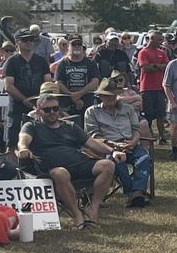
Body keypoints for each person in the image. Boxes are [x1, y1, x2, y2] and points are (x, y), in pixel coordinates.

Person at [17, 93, 119, 229]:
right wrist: (23, 148)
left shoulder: (70, 126)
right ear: (38, 111)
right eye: (47, 110)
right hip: (51, 170)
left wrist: (113, 151)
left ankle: (93, 207)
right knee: (61, 173)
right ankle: (77, 215)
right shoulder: (32, 126)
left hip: (78, 165)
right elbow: (23, 140)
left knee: (108, 165)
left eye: (55, 108)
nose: (52, 112)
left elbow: (92, 143)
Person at [84, 79, 151, 207]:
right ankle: (134, 193)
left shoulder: (128, 109)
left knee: (144, 158)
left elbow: (136, 130)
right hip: (107, 148)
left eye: (114, 95)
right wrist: (114, 146)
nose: (111, 98)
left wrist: (133, 142)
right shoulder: (92, 112)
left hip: (130, 144)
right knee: (116, 162)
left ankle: (137, 192)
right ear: (100, 96)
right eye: (107, 95)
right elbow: (93, 136)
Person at [2, 28, 52, 148]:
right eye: (25, 40)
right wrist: (25, 100)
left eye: (31, 39)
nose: (29, 42)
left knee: (39, 144)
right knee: (12, 144)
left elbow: (48, 83)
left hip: (39, 108)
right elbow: (8, 86)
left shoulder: (41, 61)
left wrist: (41, 102)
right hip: (16, 109)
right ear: (17, 42)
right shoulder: (11, 62)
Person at [55, 35, 101, 117]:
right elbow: (58, 82)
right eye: (74, 44)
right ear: (68, 46)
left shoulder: (91, 63)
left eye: (79, 44)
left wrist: (80, 93)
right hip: (67, 104)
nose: (77, 46)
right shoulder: (63, 63)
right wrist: (71, 95)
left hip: (87, 102)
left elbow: (95, 82)